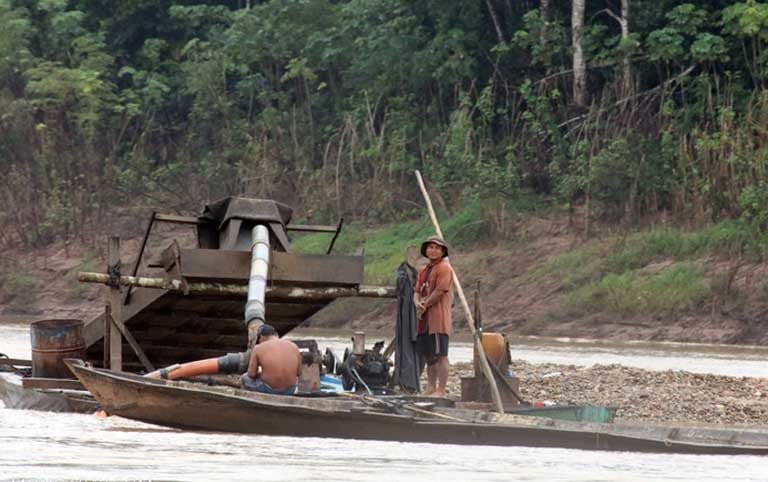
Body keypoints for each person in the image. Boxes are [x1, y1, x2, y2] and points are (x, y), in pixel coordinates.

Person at [414, 236, 453, 397]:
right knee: (429, 355)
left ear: (443, 251)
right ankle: (430, 387)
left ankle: (441, 390)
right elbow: (416, 291)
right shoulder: (424, 270)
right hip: (424, 320)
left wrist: (425, 304)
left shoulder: (444, 268)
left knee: (441, 354)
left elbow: (440, 290)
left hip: (438, 319)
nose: (433, 250)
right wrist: (417, 303)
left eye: (437, 248)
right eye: (430, 247)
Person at [240, 324, 301, 395]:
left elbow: (251, 374)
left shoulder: (258, 348)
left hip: (269, 390)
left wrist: (260, 373)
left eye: (259, 339)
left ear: (262, 337)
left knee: (245, 377)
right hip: (290, 390)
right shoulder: (294, 346)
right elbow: (299, 373)